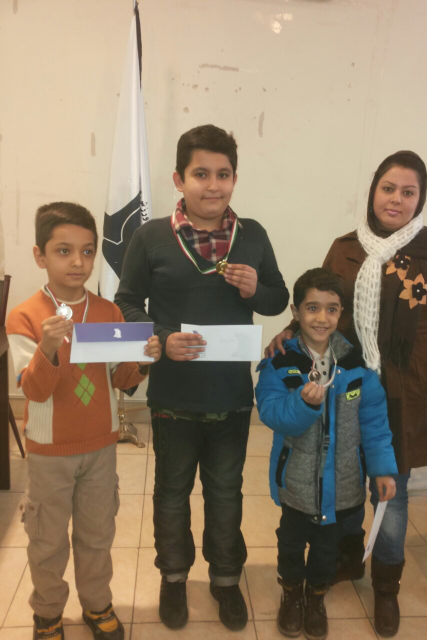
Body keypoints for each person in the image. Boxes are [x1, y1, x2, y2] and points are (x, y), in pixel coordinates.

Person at [266, 151, 427, 637]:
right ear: (373, 190)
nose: (396, 199)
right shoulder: (345, 248)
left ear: (421, 198)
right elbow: (318, 300)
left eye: (408, 192)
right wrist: (287, 333)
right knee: (343, 479)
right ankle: (344, 558)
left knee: (391, 491)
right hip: (344, 386)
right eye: (388, 188)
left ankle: (386, 586)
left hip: (403, 394)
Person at [114, 124, 289, 631]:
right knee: (171, 494)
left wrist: (256, 290)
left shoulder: (252, 235)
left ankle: (226, 579)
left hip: (231, 397)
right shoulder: (151, 237)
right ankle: (173, 577)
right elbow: (127, 302)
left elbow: (278, 298)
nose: (213, 185)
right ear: (179, 179)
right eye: (201, 174)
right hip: (173, 395)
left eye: (224, 174)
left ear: (235, 178)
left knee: (226, 494)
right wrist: (162, 337)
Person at [6, 202, 161, 640]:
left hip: (100, 447)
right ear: (40, 256)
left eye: (88, 251)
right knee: (47, 539)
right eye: (64, 251)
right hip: (49, 454)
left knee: (97, 534)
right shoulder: (25, 316)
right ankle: (47, 612)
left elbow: (121, 379)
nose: (78, 262)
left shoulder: (109, 312)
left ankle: (97, 604)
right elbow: (33, 390)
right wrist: (47, 348)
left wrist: (142, 361)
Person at [256, 267, 397, 639]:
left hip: (342, 485)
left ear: (341, 313)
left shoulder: (356, 366)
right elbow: (272, 414)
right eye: (312, 308)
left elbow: (375, 424)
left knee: (325, 551)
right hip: (296, 485)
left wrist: (383, 469)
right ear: (296, 311)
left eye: (331, 309)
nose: (322, 318)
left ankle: (316, 597)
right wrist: (304, 404)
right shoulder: (279, 362)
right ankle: (291, 594)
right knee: (290, 545)